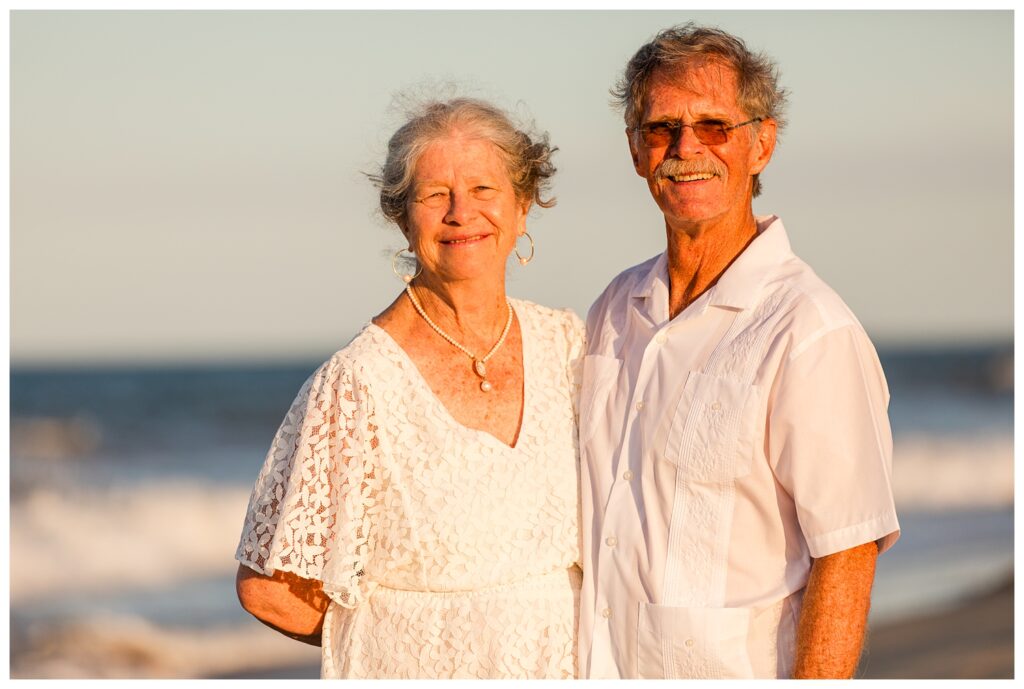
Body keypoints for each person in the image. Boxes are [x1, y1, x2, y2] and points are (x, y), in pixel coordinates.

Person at [578, 24, 900, 679]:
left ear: (762, 143)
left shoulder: (808, 330)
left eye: (714, 125)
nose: (686, 146)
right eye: (662, 127)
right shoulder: (612, 311)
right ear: (637, 150)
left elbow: (848, 550)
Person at [234, 97, 584, 679]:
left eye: (483, 190)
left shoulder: (569, 344)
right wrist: (401, 645)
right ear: (402, 217)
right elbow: (267, 588)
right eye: (434, 195)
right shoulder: (358, 382)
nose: (460, 212)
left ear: (523, 207)